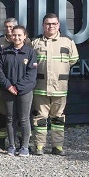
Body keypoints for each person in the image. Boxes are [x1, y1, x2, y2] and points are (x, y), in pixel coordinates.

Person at [31, 13, 79, 155]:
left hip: (60, 88)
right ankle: (39, 146)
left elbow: (73, 60)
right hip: (40, 87)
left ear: (58, 25)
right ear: (43, 25)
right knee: (40, 118)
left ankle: (57, 146)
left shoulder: (67, 41)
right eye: (47, 24)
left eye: (53, 23)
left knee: (58, 118)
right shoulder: (35, 42)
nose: (50, 26)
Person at [0, 25, 38, 157]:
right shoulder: (4, 52)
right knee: (10, 119)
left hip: (24, 91)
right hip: (8, 91)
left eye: (19, 35)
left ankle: (24, 147)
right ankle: (12, 146)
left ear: (25, 36)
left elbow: (31, 74)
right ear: (10, 36)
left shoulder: (30, 53)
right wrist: (8, 86)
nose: (16, 37)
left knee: (24, 119)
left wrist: (17, 87)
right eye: (14, 35)